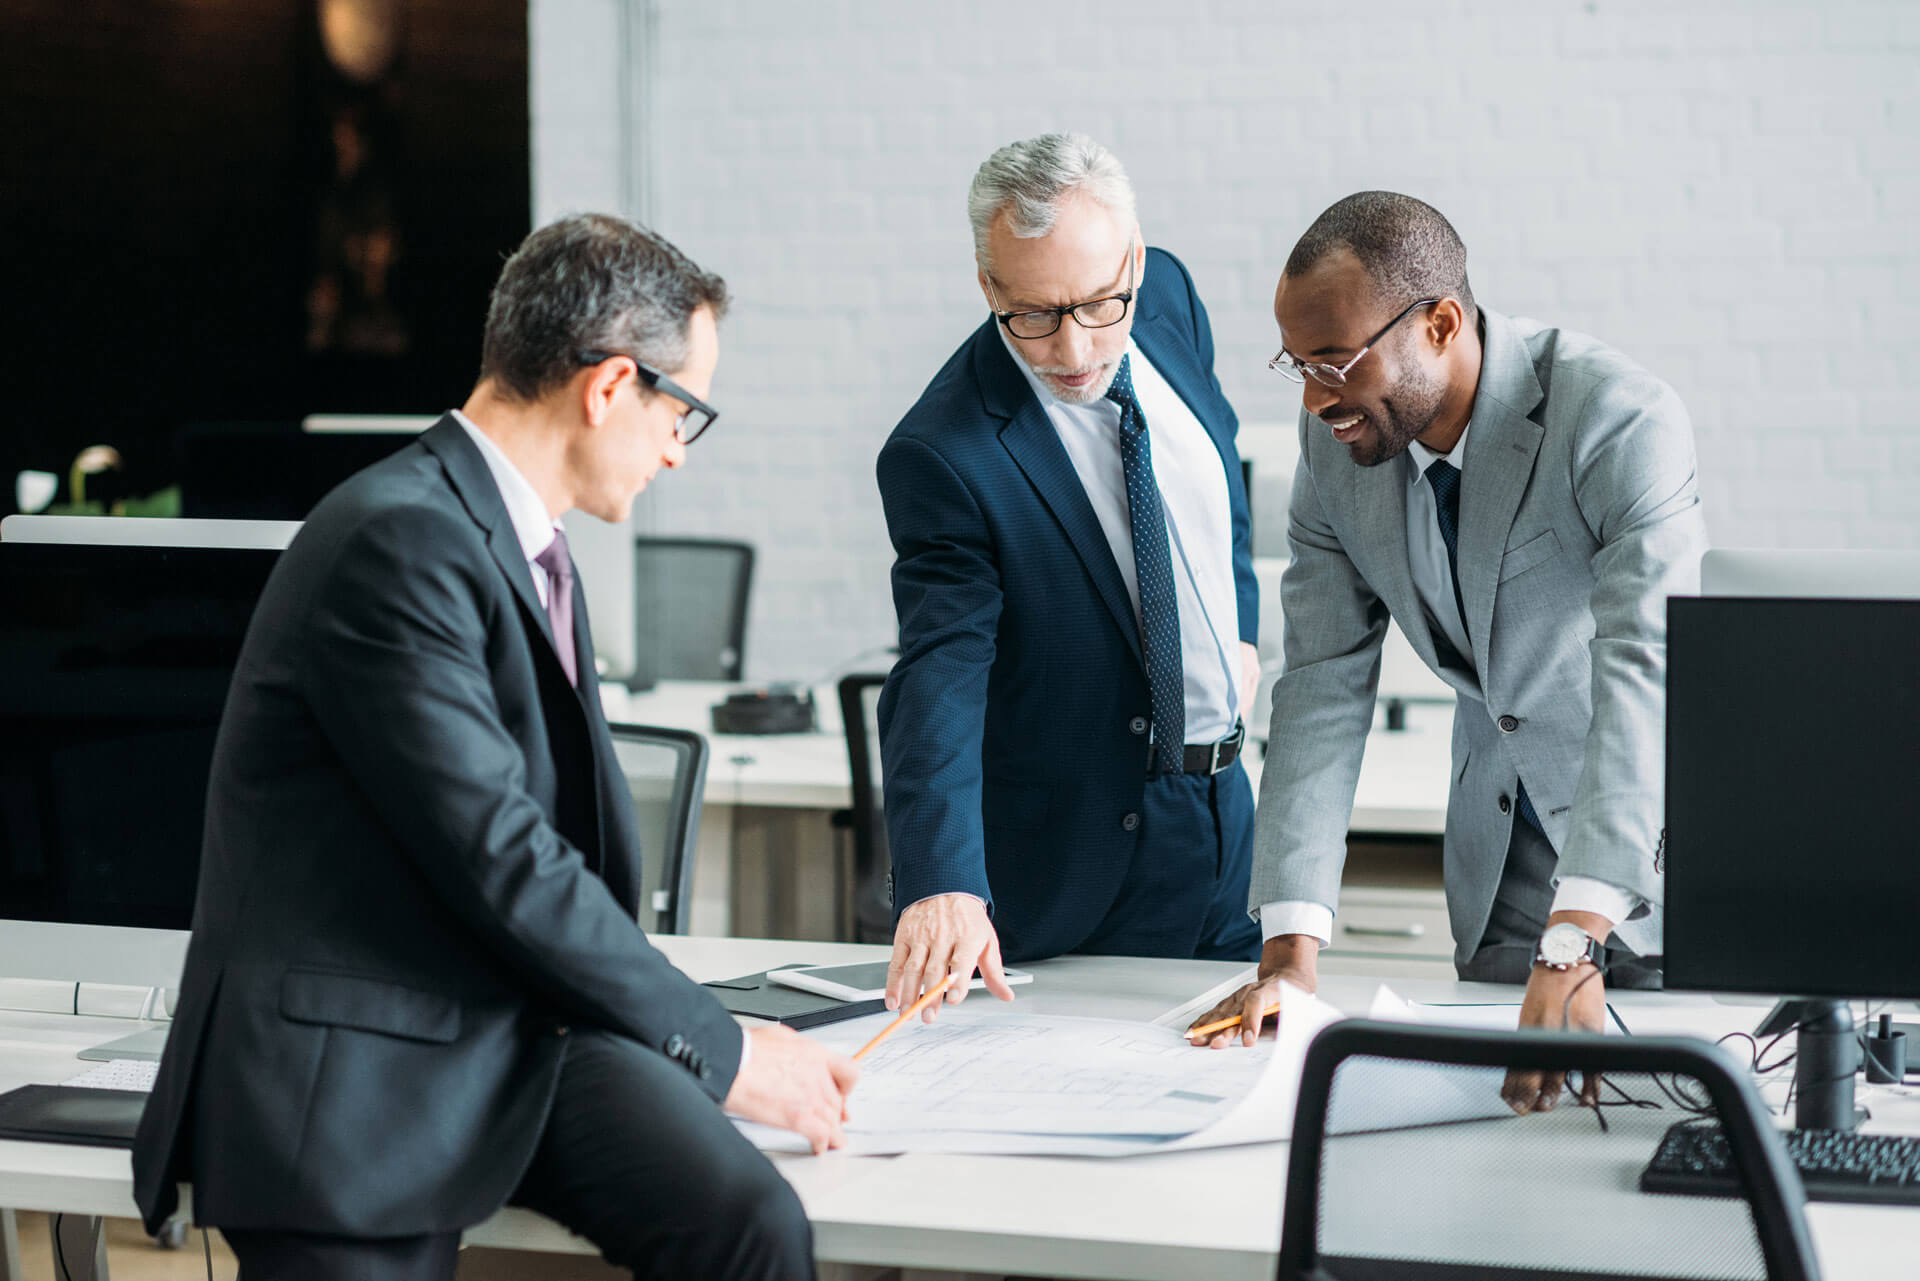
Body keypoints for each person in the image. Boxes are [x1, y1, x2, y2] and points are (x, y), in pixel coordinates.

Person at [133, 214, 858, 1280]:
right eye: (685, 412)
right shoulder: (396, 539)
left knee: (750, 1224)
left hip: (511, 1026)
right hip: (360, 1074)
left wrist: (699, 1037)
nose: (676, 451)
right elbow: (502, 857)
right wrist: (733, 1050)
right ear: (611, 387)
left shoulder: (522, 545)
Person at [1191, 193, 1706, 1105]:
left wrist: (1577, 929)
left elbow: (1645, 665)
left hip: (1658, 860)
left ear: (1440, 323)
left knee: (1666, 1136)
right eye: (1297, 365)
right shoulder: (1335, 454)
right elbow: (1320, 684)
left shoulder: (1617, 416)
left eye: (1335, 362)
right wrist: (1289, 953)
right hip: (1500, 865)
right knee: (1503, 1144)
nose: (1315, 399)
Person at [876, 133, 1263, 1021]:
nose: (1074, 347)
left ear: (1132, 261)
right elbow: (939, 669)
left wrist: (1237, 633)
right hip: (1091, 859)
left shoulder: (1167, 297)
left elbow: (1216, 473)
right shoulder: (946, 451)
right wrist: (942, 881)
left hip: (1226, 818)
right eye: (1035, 315)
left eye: (1098, 304)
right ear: (988, 287)